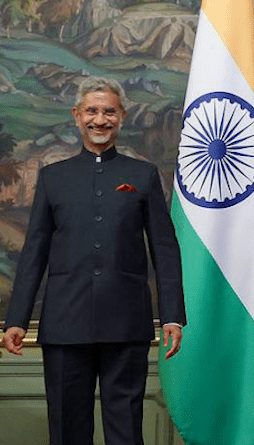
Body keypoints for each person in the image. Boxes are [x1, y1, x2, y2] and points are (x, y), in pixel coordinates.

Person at [2, 76, 186, 445]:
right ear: (76, 115)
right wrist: (16, 320)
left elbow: (165, 251)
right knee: (68, 431)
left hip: (127, 324)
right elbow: (34, 253)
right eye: (92, 111)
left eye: (108, 112)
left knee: (125, 432)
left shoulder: (143, 176)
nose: (99, 120)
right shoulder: (53, 178)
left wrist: (172, 316)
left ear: (122, 116)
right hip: (64, 324)